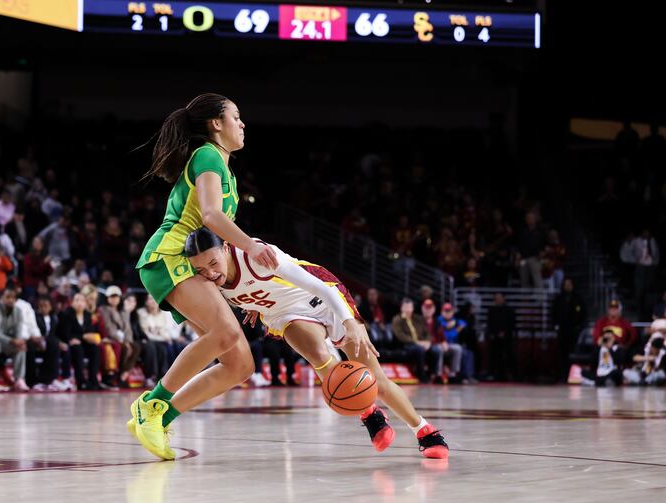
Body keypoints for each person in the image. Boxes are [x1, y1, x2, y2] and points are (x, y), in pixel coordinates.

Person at [186, 227, 449, 458]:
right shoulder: (208, 282)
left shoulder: (257, 257)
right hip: (286, 314)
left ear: (226, 248)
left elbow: (322, 288)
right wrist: (253, 304)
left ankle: (424, 430)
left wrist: (350, 322)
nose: (210, 273)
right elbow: (245, 290)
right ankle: (369, 412)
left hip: (321, 296)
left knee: (376, 380)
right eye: (201, 269)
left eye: (213, 263)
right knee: (320, 358)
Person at [129, 94, 278, 460]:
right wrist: (252, 247)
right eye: (236, 117)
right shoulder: (207, 155)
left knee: (239, 365)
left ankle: (160, 419)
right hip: (170, 255)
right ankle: (151, 404)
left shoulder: (227, 171)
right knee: (226, 332)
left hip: (194, 263)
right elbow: (211, 215)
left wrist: (244, 292)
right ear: (216, 123)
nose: (242, 124)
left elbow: (216, 241)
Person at [57, 292, 101, 391]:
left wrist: (83, 337)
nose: (79, 303)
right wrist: (82, 336)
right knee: (77, 348)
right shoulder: (66, 314)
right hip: (69, 343)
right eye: (77, 300)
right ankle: (81, 381)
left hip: (83, 342)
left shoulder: (87, 315)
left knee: (95, 349)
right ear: (72, 302)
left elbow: (89, 331)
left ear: (85, 303)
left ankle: (93, 379)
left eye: (82, 300)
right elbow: (65, 333)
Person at [99, 285, 135, 389]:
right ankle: (115, 377)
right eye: (112, 296)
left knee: (135, 347)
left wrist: (127, 341)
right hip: (111, 338)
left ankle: (123, 375)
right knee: (122, 348)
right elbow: (109, 328)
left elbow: (127, 328)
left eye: (116, 296)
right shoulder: (104, 309)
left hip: (121, 339)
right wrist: (123, 341)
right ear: (107, 298)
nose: (114, 299)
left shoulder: (122, 311)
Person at [551, 278, 587, 382]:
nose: (568, 286)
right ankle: (562, 376)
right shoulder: (558, 299)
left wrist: (579, 327)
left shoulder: (578, 299)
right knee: (562, 355)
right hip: (562, 331)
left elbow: (584, 315)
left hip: (574, 332)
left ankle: (574, 376)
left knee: (574, 355)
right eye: (566, 284)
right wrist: (556, 326)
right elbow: (553, 314)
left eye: (569, 284)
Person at [486, 293, 516, 381]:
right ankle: (493, 374)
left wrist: (504, 332)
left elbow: (512, 323)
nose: (498, 300)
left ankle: (510, 374)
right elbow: (489, 324)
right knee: (494, 355)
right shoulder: (492, 310)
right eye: (496, 298)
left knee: (508, 355)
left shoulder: (509, 310)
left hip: (507, 338)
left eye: (499, 298)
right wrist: (492, 334)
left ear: (503, 298)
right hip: (494, 338)